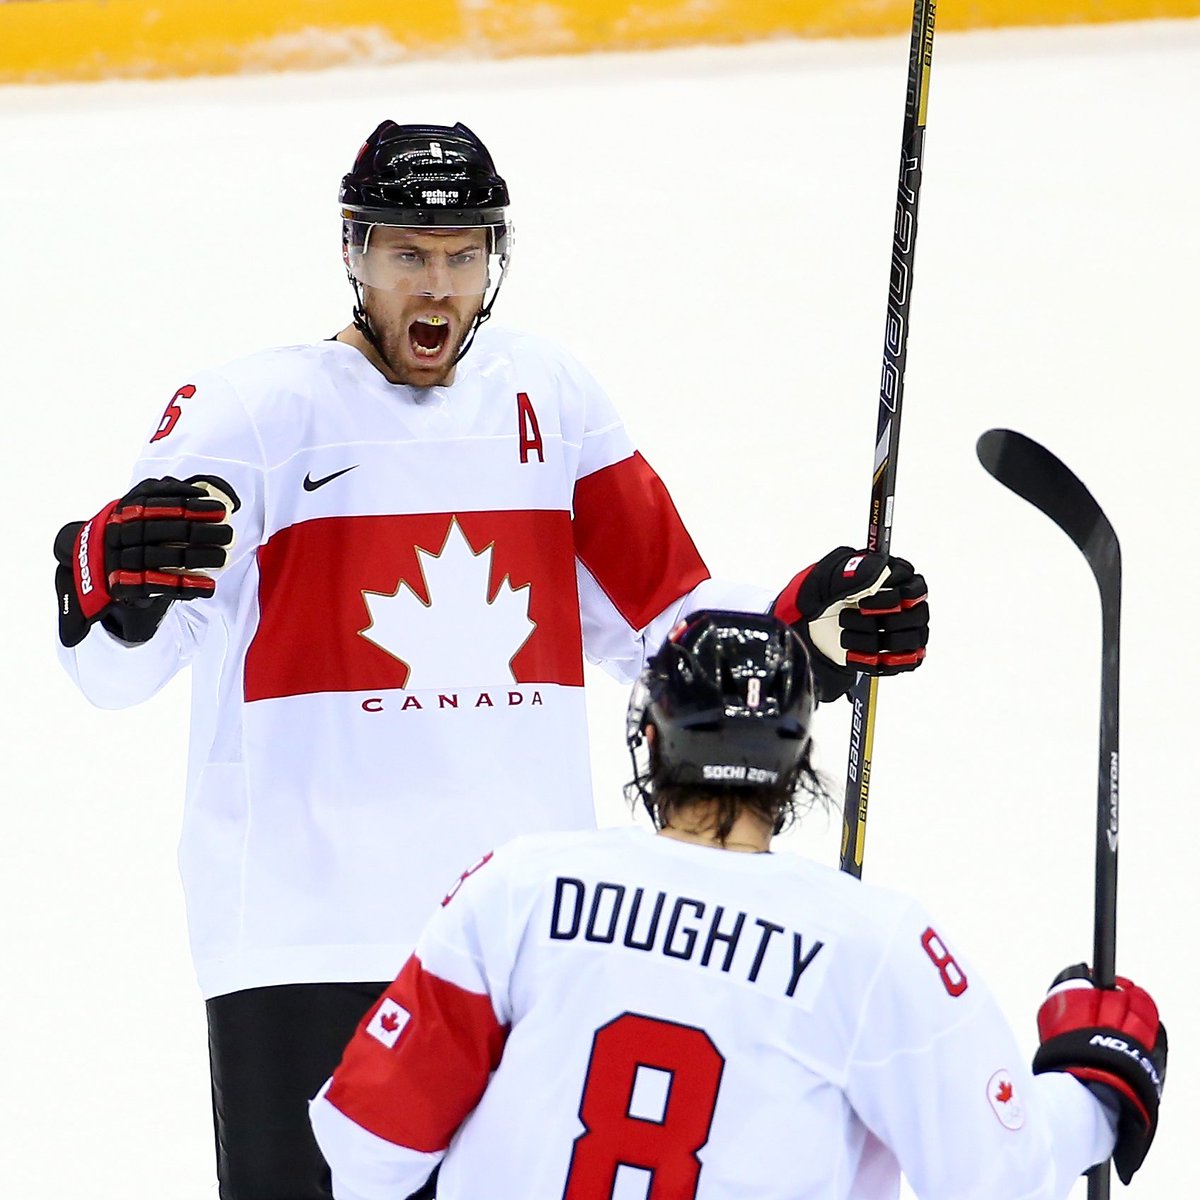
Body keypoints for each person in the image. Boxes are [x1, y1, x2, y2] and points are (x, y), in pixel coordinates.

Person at [52, 121, 931, 1200]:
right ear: (353, 251)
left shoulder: (549, 397)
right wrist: (111, 584)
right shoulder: (250, 415)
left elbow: (675, 629)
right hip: (304, 937)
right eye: (409, 256)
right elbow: (117, 674)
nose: (439, 286)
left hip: (526, 934)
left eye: (464, 255)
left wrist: (808, 636)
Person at [310, 610, 1167, 1200]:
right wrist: (1094, 1085)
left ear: (652, 735)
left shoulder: (519, 886)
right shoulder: (872, 945)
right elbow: (994, 1174)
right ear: (797, 759)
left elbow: (367, 1148)